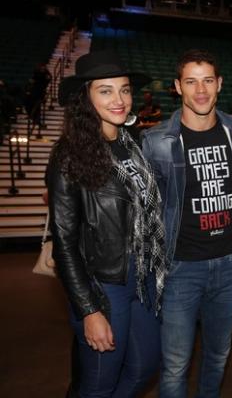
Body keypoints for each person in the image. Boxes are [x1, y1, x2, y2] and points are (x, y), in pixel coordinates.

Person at [47, 50, 166, 398]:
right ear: (85, 97)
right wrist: (89, 310)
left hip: (142, 276)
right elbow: (65, 243)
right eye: (106, 90)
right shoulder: (69, 154)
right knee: (99, 384)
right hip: (104, 284)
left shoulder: (133, 143)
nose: (119, 100)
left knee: (144, 365)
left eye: (125, 89)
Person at [142, 49, 232, 398]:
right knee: (175, 364)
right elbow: (147, 211)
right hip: (181, 269)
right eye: (191, 81)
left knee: (218, 356)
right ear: (178, 87)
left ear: (219, 84)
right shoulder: (157, 141)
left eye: (207, 81)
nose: (200, 90)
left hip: (230, 264)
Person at [24, 62, 51, 133]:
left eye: (43, 67)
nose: (42, 68)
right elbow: (32, 79)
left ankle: (37, 120)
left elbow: (48, 80)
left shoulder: (46, 73)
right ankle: (31, 116)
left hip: (41, 91)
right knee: (27, 102)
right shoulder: (36, 72)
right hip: (34, 90)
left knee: (37, 105)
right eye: (41, 67)